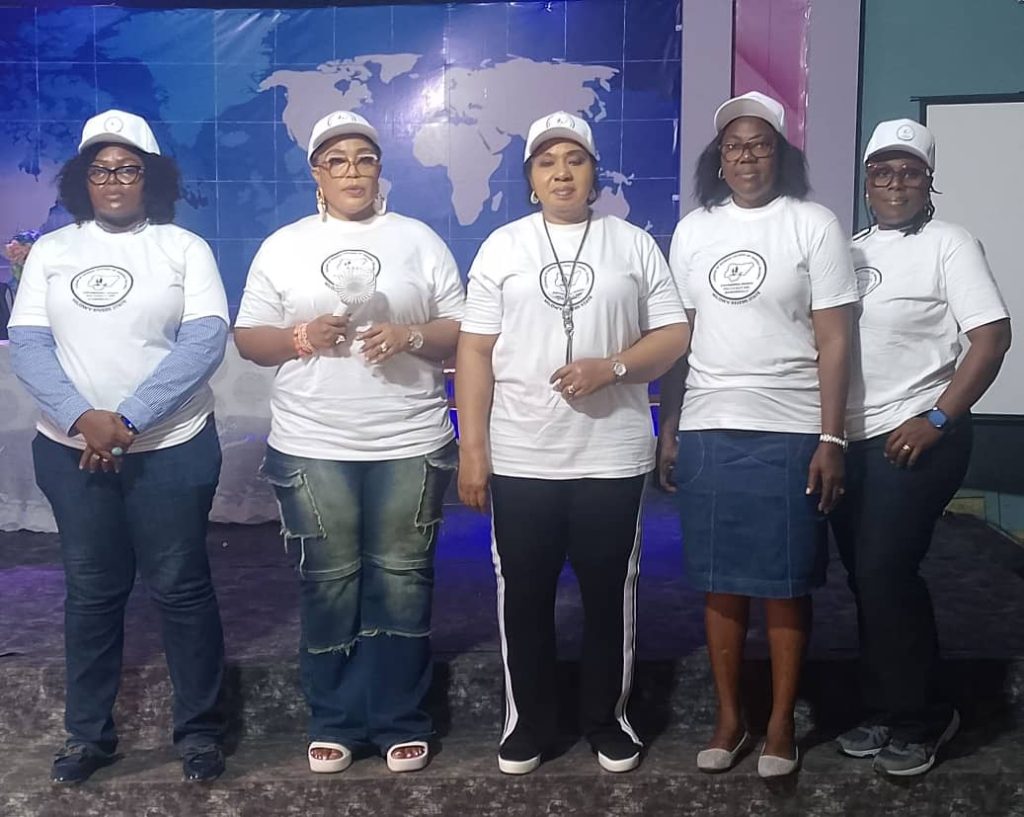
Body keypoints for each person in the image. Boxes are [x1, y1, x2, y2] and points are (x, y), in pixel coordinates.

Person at [456, 111, 689, 775]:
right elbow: (474, 351)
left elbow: (673, 335)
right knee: (524, 596)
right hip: (523, 455)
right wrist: (474, 449)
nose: (561, 173)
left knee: (608, 596)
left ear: (594, 173)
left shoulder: (632, 244)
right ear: (531, 178)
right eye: (546, 162)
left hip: (610, 456)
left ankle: (607, 719)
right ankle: (528, 722)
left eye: (575, 160)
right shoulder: (503, 246)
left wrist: (612, 367)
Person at [233, 111, 464, 775]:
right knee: (330, 581)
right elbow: (250, 338)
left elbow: (463, 327)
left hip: (408, 437)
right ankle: (335, 718)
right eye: (337, 160)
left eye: (364, 158)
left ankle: (399, 718)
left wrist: (410, 335)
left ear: (379, 168)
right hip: (313, 440)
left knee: (402, 579)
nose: (352, 171)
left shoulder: (418, 240)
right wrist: (300, 337)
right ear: (317, 173)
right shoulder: (284, 245)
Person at [8, 110, 229, 784]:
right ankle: (87, 736)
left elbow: (204, 340)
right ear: (82, 179)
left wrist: (127, 418)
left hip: (172, 446)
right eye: (100, 169)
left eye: (128, 168)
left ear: (150, 177)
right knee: (92, 591)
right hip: (71, 450)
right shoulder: (53, 251)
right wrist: (84, 418)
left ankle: (199, 731)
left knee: (181, 587)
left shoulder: (183, 248)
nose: (113, 180)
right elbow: (29, 344)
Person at [657, 91, 857, 777]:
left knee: (783, 582)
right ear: (719, 159)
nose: (746, 157)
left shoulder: (813, 224)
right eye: (734, 147)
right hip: (710, 427)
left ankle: (780, 723)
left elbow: (835, 340)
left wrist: (832, 438)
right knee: (719, 582)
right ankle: (729, 718)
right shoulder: (694, 230)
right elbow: (679, 340)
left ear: (781, 154)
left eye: (760, 144)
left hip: (790, 429)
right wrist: (670, 425)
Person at [830, 119, 1011, 777]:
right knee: (868, 578)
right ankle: (886, 705)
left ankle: (924, 716)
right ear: (867, 180)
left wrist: (937, 417)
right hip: (851, 440)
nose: (894, 183)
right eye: (882, 171)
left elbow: (991, 337)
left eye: (909, 171)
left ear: (928, 180)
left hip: (918, 435)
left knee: (884, 570)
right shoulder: (847, 251)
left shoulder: (949, 243)